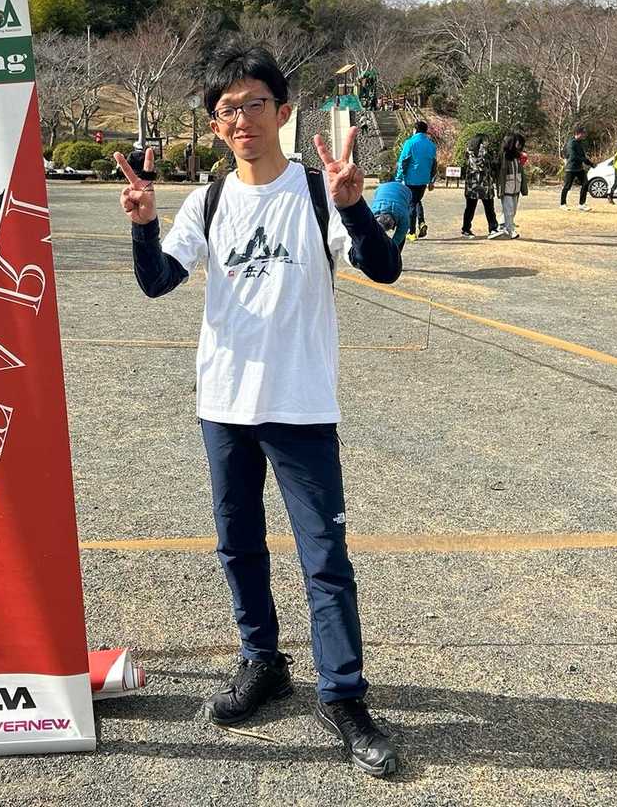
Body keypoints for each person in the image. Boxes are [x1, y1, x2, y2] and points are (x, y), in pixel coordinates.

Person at [116, 44, 403, 778]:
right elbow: (157, 281)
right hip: (224, 404)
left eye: (254, 104)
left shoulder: (315, 192)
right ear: (216, 127)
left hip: (300, 405)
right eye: (227, 110)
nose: (241, 118)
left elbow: (383, 267)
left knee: (324, 559)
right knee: (238, 545)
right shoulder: (209, 200)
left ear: (282, 112)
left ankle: (343, 696)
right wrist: (144, 224)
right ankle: (262, 661)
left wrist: (353, 206)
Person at [396, 120, 436, 240]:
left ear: (415, 130)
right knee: (417, 200)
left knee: (411, 204)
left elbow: (403, 161)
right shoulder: (431, 145)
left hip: (411, 178)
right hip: (424, 179)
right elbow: (434, 164)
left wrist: (399, 177)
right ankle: (421, 222)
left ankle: (412, 232)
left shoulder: (410, 143)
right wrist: (431, 180)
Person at [460, 132, 501, 238]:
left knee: (470, 208)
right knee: (489, 208)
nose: (487, 143)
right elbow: (489, 165)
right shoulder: (485, 152)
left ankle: (466, 229)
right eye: (486, 141)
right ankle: (493, 229)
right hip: (485, 184)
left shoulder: (468, 152)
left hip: (472, 185)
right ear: (481, 142)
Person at [498, 132, 528, 239]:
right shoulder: (504, 156)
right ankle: (510, 230)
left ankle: (504, 226)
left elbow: (521, 173)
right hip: (507, 188)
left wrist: (523, 188)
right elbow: (501, 174)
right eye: (516, 142)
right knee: (509, 210)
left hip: (516, 188)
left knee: (513, 210)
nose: (518, 145)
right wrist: (500, 189)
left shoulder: (517, 156)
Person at [559, 128, 590, 211]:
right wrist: (584, 160)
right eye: (583, 134)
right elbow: (573, 156)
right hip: (571, 168)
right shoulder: (571, 143)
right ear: (578, 134)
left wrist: (590, 163)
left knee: (585, 183)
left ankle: (581, 204)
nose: (584, 135)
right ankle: (562, 204)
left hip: (579, 168)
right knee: (567, 186)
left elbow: (582, 156)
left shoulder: (580, 143)